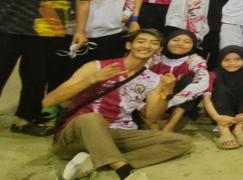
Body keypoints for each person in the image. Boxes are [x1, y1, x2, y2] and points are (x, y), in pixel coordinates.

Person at [45, 29, 192, 180]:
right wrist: (92, 79)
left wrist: (167, 92)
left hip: (118, 132)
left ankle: (95, 161)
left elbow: (152, 117)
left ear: (159, 50)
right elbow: (49, 101)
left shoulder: (153, 79)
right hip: (79, 133)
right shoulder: (97, 66)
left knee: (181, 142)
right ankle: (125, 172)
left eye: (154, 43)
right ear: (129, 45)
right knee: (92, 118)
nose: (147, 46)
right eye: (141, 41)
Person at [0, 0, 95, 136]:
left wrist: (80, 30)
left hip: (48, 31)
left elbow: (83, 2)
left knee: (35, 79)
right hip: (7, 27)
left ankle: (25, 121)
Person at [148, 29, 209, 133]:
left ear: (193, 45)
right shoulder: (155, 57)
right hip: (153, 99)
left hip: (179, 101)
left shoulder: (195, 60)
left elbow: (202, 83)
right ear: (167, 42)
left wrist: (171, 101)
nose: (180, 44)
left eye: (187, 42)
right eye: (175, 40)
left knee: (191, 79)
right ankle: (153, 124)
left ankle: (170, 126)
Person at [203, 45, 243, 150]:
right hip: (220, 113)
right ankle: (224, 131)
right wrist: (217, 117)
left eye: (237, 59)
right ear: (220, 60)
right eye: (226, 60)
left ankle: (239, 129)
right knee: (220, 90)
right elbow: (206, 100)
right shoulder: (213, 75)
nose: (232, 63)